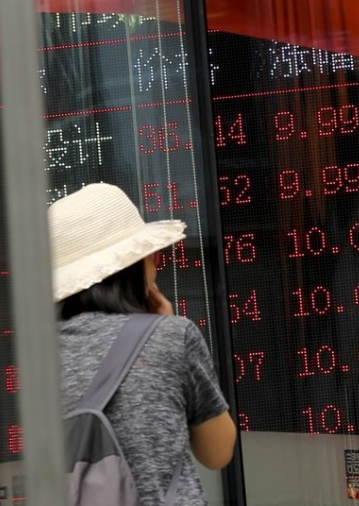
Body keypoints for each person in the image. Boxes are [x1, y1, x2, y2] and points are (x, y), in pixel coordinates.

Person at [51, 182, 237, 505]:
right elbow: (218, 451)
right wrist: (163, 326)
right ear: (132, 268)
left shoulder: (38, 361)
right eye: (148, 255)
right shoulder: (173, 337)